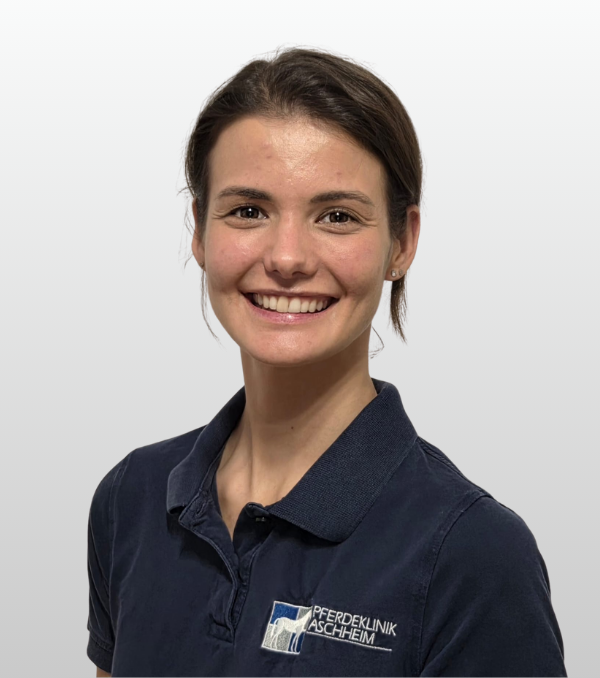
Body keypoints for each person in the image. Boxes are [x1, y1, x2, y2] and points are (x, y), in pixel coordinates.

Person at [86, 47, 567, 677]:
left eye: (337, 216)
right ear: (199, 229)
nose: (287, 258)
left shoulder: (471, 552)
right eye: (248, 211)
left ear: (402, 242)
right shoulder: (131, 499)